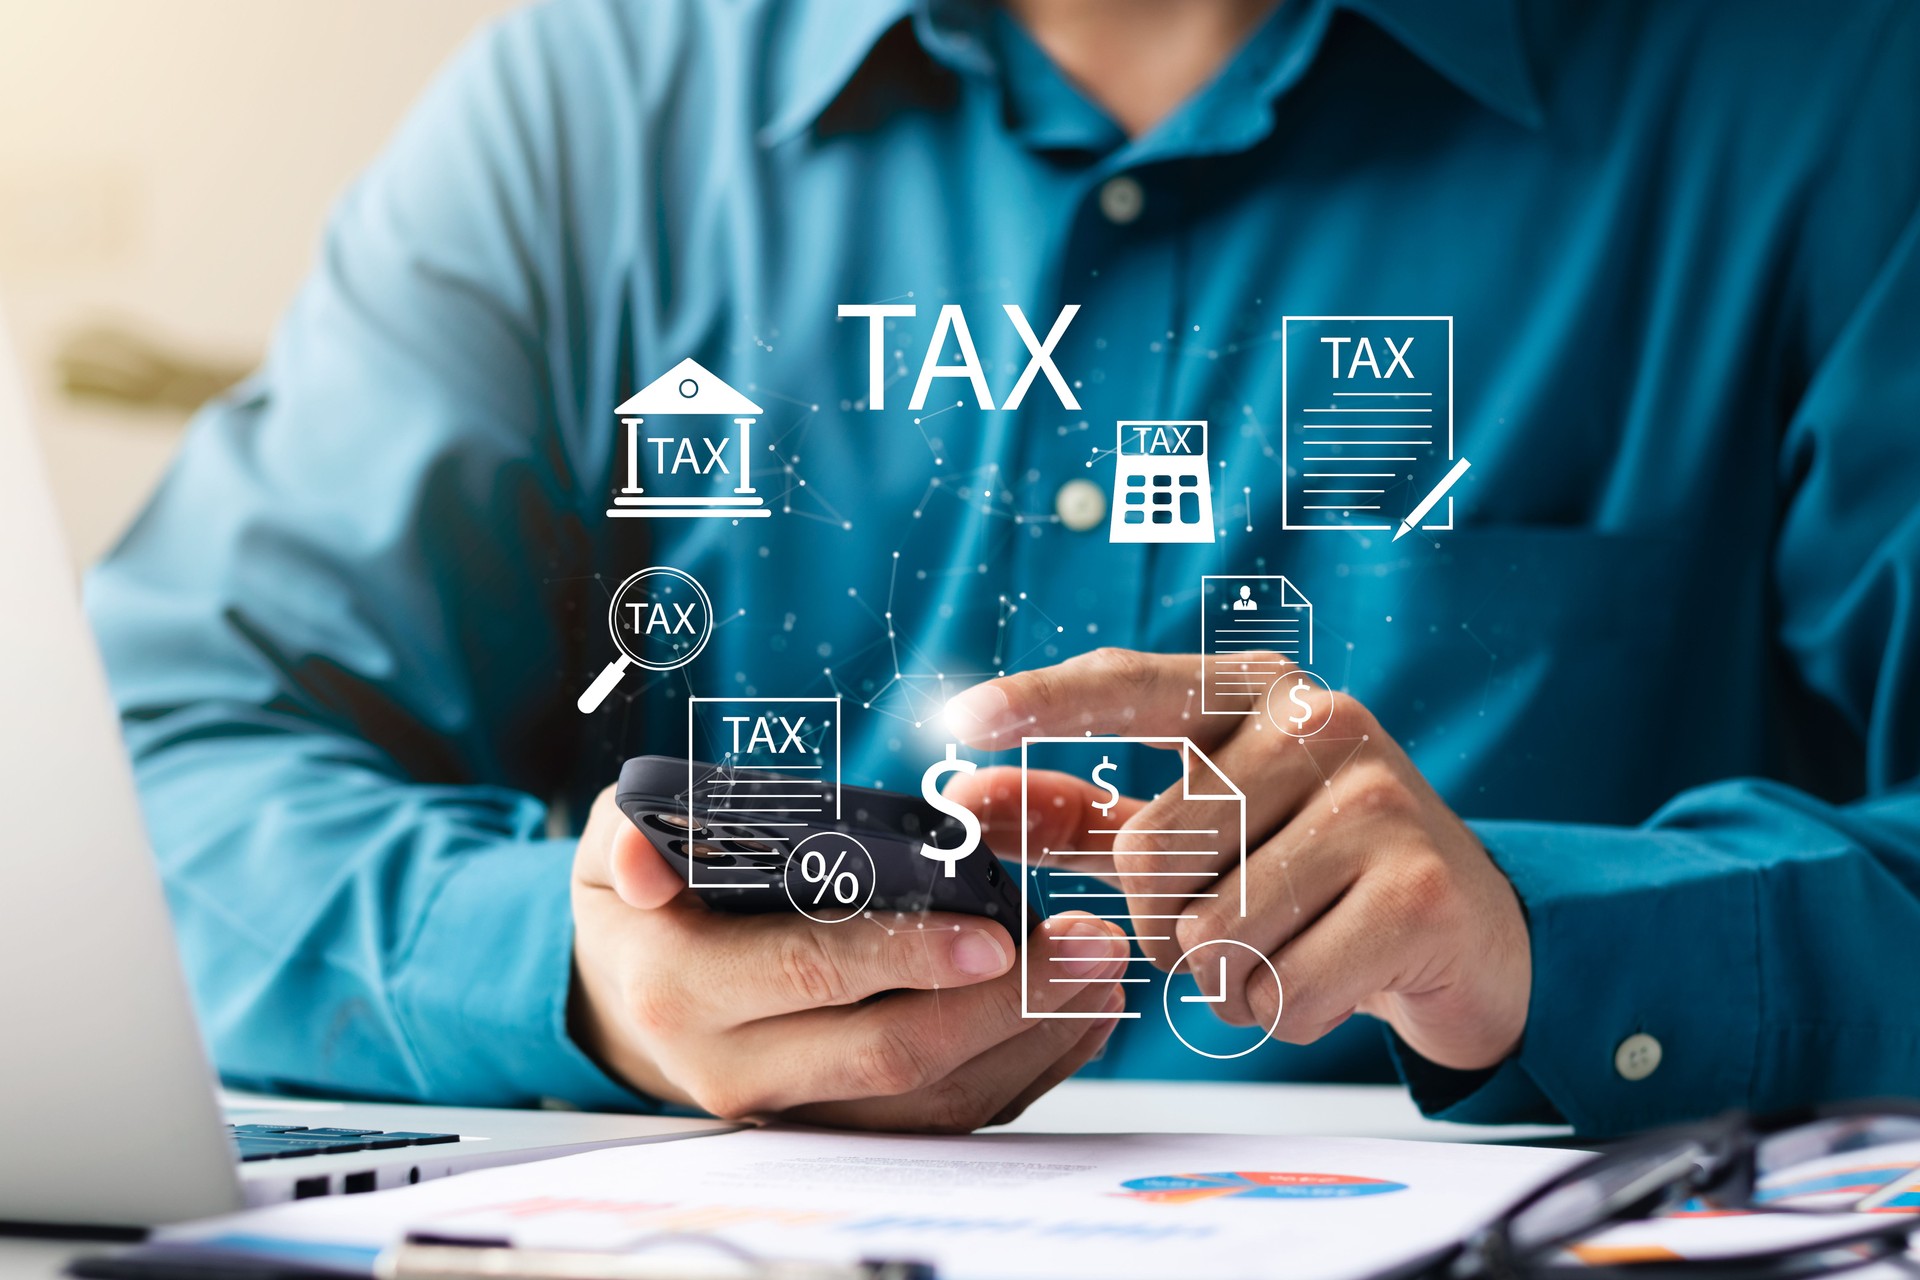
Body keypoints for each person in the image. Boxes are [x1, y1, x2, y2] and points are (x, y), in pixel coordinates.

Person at [86, 0, 1920, 1138]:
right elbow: (141, 781)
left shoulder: (1838, 97)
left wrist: (1540, 930)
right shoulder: (590, 109)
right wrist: (579, 980)